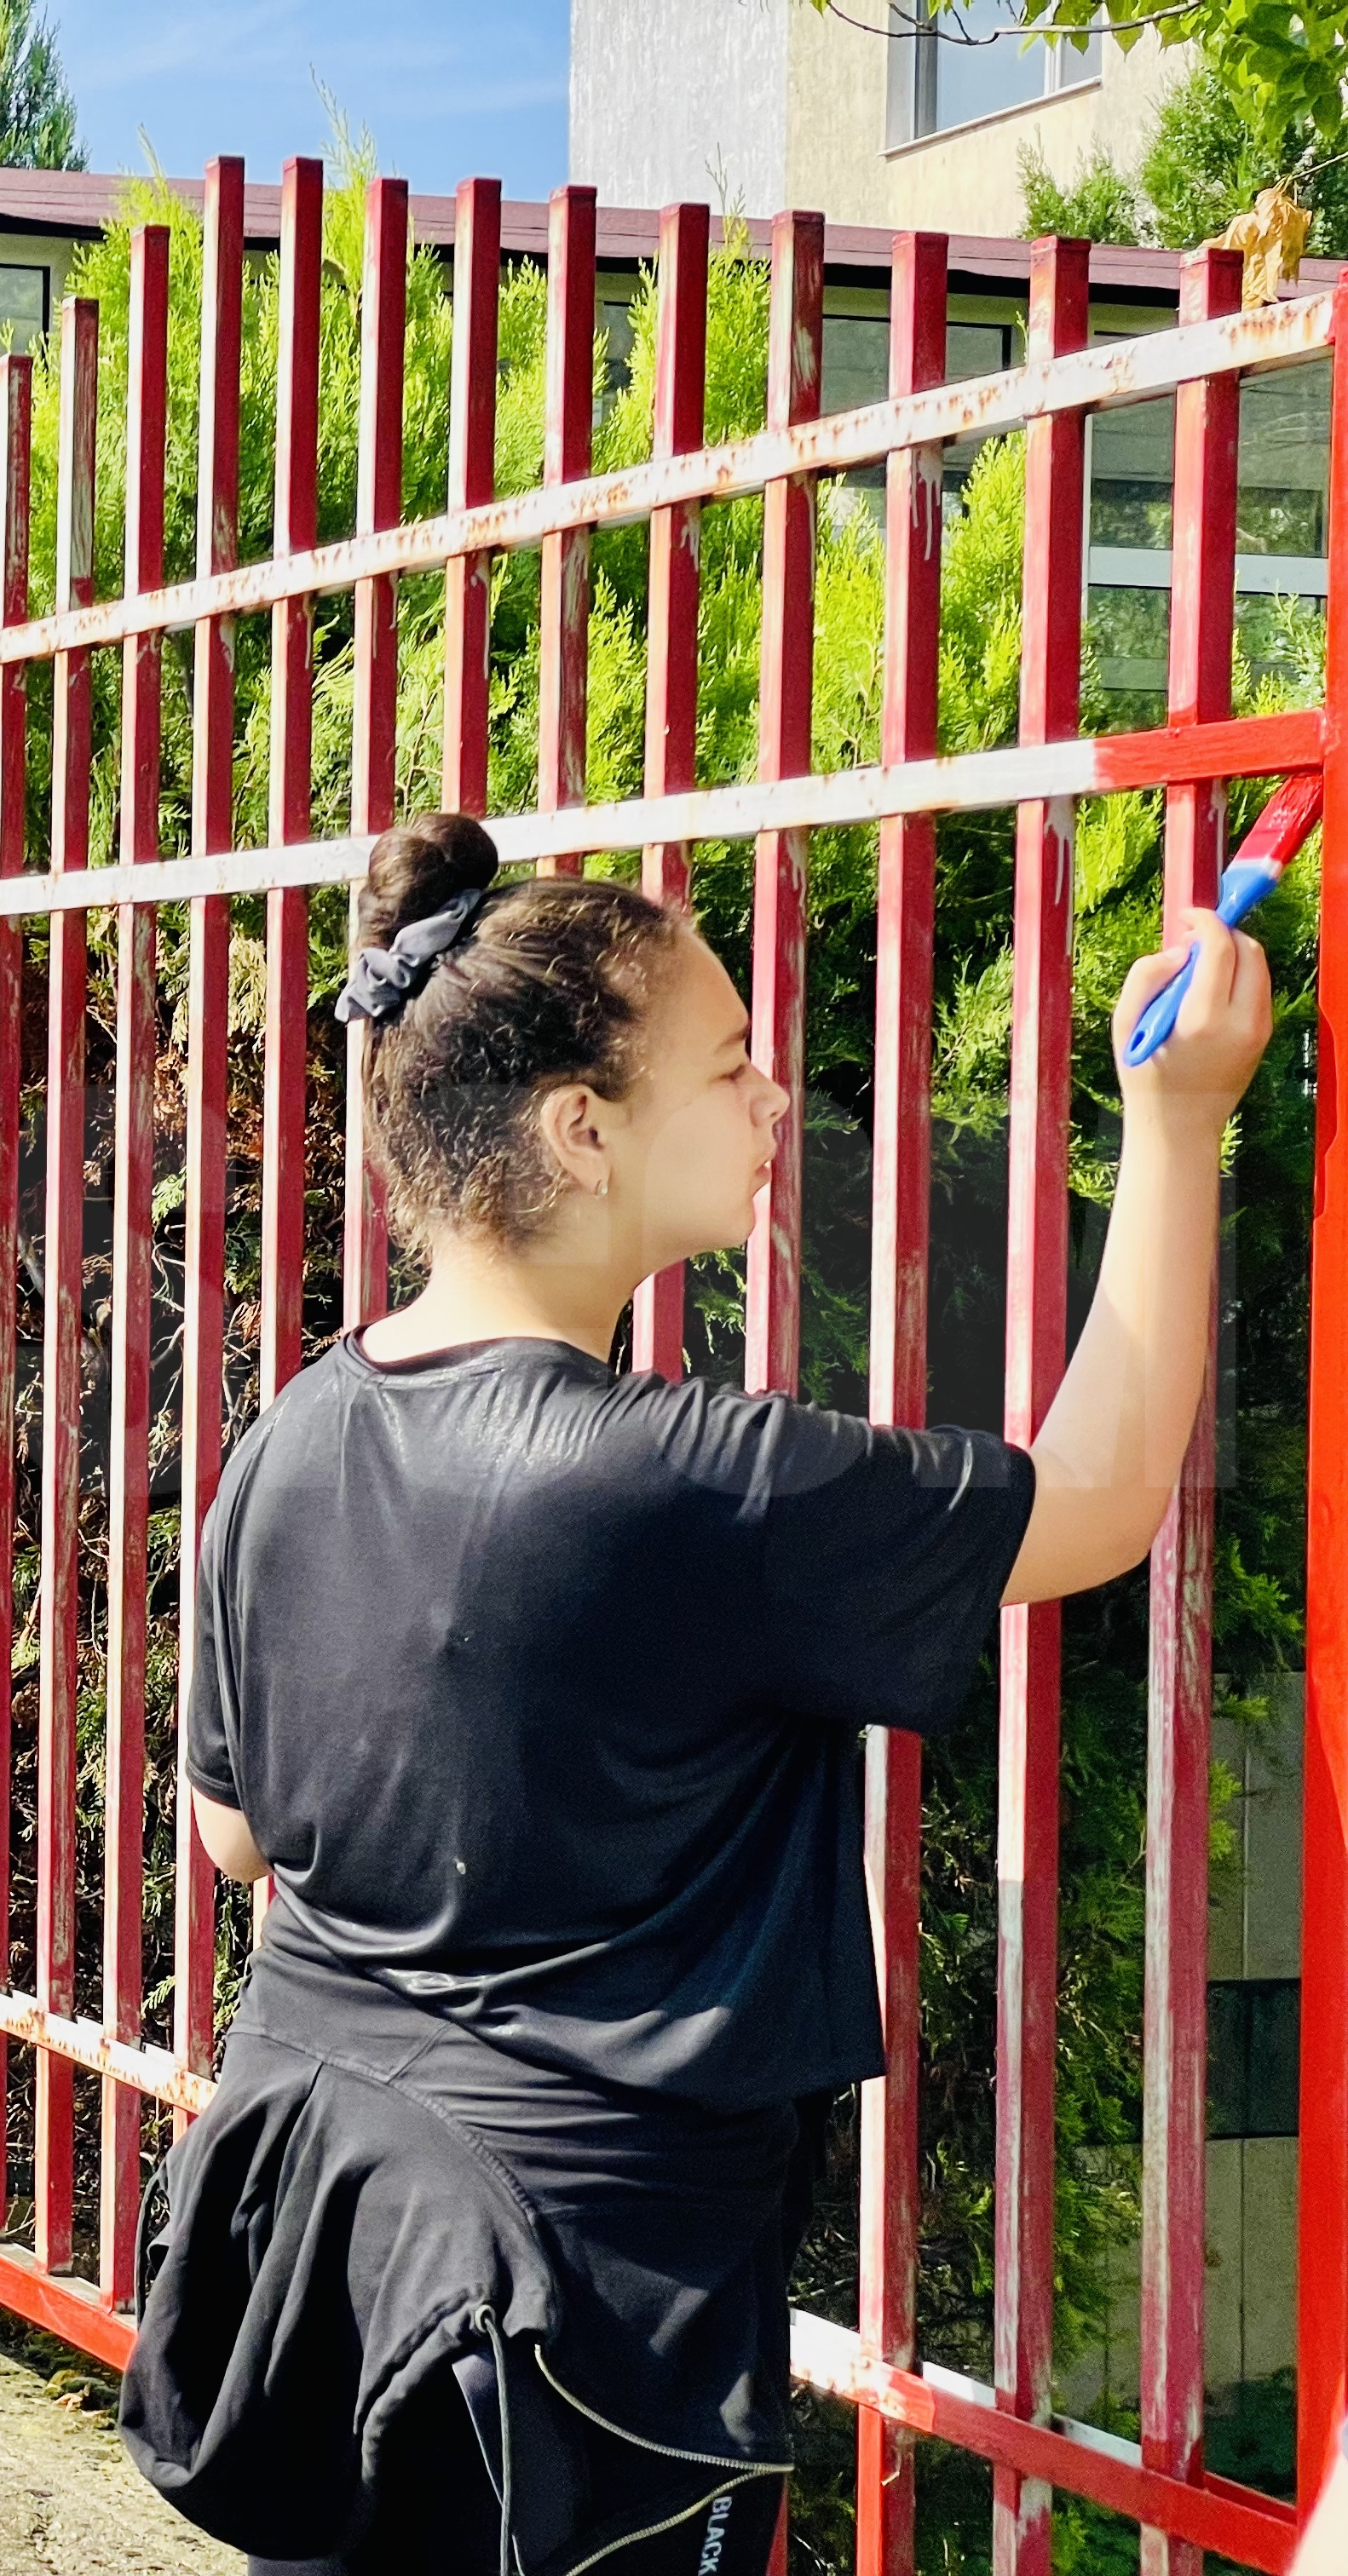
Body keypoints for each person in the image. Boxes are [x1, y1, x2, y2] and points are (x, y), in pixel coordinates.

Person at [115, 815, 1272, 2575]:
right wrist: (1179, 1122)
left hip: (331, 2269)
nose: (767, 1103)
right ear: (582, 1130)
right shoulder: (684, 1485)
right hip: (574, 2338)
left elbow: (232, 1834)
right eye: (726, 1065)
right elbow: (1101, 1499)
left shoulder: (294, 1438)